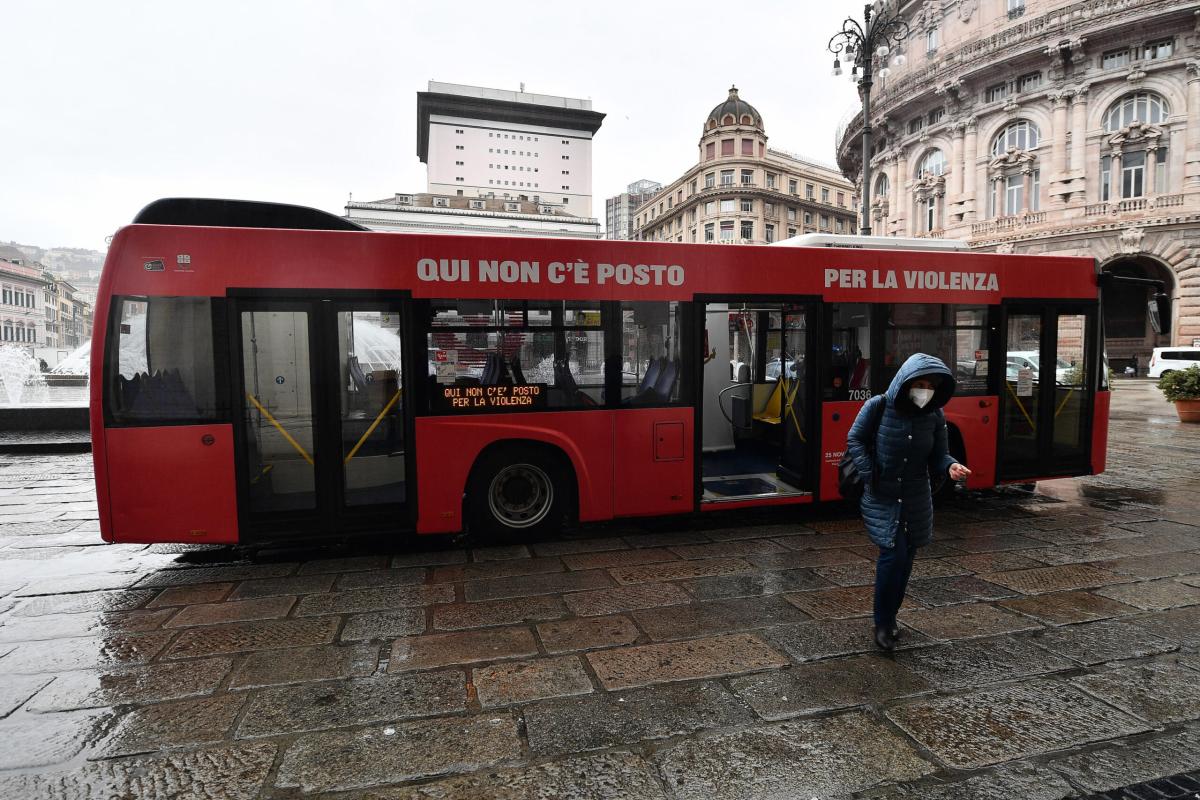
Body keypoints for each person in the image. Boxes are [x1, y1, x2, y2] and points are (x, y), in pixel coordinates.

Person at [846, 353, 971, 651]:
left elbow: (940, 454)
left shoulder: (934, 416)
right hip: (883, 495)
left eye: (931, 385)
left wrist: (951, 466)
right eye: (920, 383)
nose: (925, 389)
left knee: (906, 562)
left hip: (916, 497)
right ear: (905, 381)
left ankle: (891, 618)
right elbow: (855, 439)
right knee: (893, 557)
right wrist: (870, 474)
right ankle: (882, 623)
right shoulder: (878, 406)